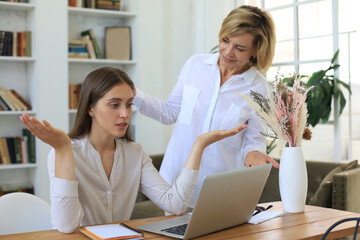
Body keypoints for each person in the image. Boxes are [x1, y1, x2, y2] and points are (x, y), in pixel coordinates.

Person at [20, 67, 247, 233]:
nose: (125, 114)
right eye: (114, 105)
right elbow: (66, 225)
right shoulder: (65, 152)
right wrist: (62, 149)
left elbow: (175, 204)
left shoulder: (134, 153)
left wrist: (199, 145)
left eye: (129, 104)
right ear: (90, 108)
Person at [134, 5, 279, 207]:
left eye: (240, 48)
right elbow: (170, 112)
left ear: (256, 51)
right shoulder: (195, 65)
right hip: (175, 183)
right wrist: (132, 94)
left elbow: (254, 139)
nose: (228, 52)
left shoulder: (259, 88)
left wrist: (254, 152)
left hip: (218, 191)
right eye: (225, 40)